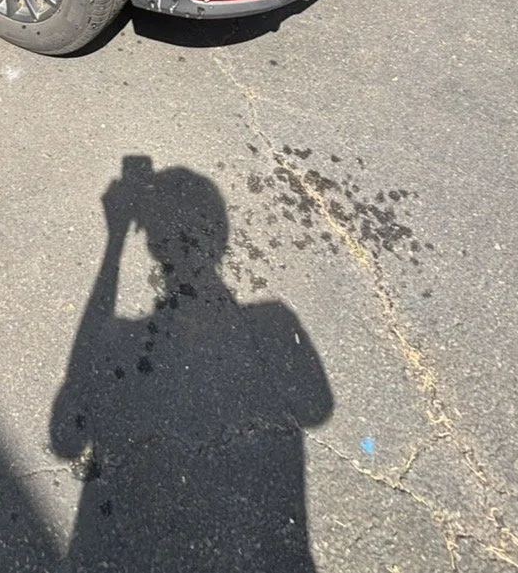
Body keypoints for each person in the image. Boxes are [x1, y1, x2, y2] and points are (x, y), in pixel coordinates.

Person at [51, 161, 333, 571]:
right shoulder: (275, 323)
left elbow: (66, 437)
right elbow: (316, 406)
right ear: (220, 237)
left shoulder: (271, 323)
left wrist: (114, 244)